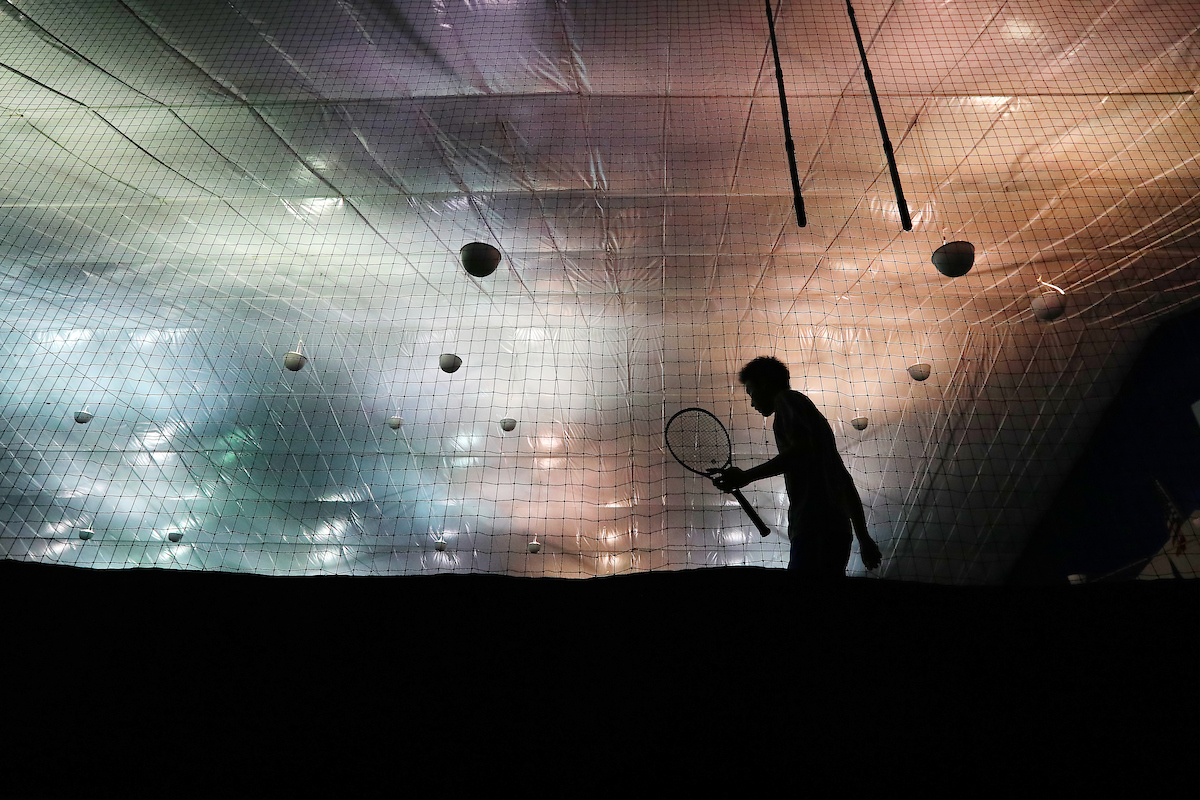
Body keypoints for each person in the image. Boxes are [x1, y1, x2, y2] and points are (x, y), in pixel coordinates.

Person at [713, 356, 883, 579]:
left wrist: (746, 476)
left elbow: (800, 452)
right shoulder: (814, 420)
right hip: (837, 529)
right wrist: (863, 537)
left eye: (752, 393)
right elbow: (844, 481)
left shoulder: (786, 400)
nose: (753, 403)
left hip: (814, 527)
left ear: (765, 384)